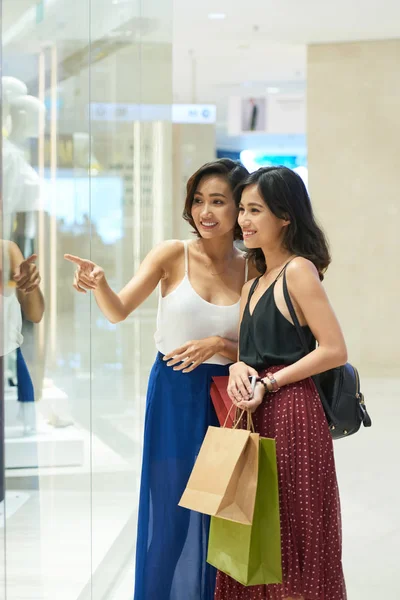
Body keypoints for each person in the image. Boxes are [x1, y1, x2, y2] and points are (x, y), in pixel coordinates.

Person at [64, 158, 257, 600]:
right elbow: (118, 311)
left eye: (218, 201)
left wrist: (219, 346)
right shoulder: (172, 253)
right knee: (168, 508)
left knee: (222, 513)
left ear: (240, 208)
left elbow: (258, 349)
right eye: (198, 200)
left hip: (228, 399)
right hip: (172, 393)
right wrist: (99, 284)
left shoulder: (253, 268)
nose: (205, 211)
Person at [218, 166, 347, 600]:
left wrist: (270, 385)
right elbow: (244, 355)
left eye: (255, 210)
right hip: (251, 415)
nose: (244, 221)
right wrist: (238, 368)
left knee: (295, 534)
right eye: (242, 211)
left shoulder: (298, 271)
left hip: (292, 412)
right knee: (252, 531)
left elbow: (333, 349)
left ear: (285, 216)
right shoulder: (252, 284)